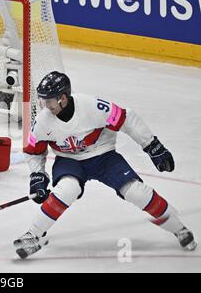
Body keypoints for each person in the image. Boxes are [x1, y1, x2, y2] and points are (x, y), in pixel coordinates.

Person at [14, 71, 197, 259]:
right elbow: (33, 152)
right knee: (67, 189)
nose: (45, 105)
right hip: (69, 160)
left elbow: (127, 119)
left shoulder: (92, 106)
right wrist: (37, 176)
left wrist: (152, 146)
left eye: (49, 101)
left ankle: (179, 228)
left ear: (62, 98)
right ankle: (33, 235)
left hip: (104, 156)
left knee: (136, 192)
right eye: (43, 100)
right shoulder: (43, 122)